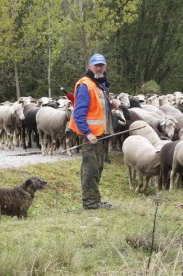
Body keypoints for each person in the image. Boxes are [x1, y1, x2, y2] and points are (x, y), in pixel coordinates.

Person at [68, 53, 120, 209]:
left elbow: (97, 108)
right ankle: (90, 203)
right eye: (96, 65)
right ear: (90, 67)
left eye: (101, 65)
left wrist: (111, 104)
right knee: (90, 169)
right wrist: (88, 133)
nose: (99, 68)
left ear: (105, 67)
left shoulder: (99, 85)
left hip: (99, 135)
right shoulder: (86, 85)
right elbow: (78, 113)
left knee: (97, 168)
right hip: (91, 136)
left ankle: (95, 201)